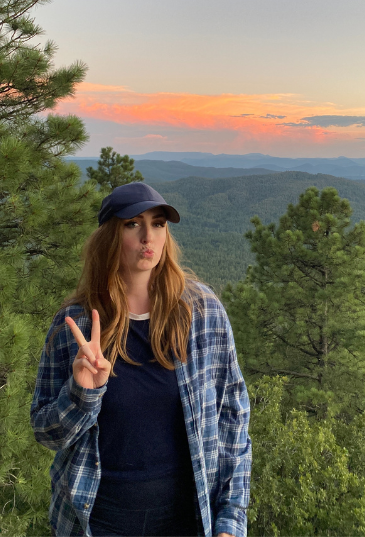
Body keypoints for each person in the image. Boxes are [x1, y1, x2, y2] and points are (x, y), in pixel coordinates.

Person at [31, 181, 251, 537]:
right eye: (133, 223)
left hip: (186, 520)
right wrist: (82, 394)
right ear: (109, 238)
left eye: (159, 223)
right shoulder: (76, 325)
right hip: (96, 521)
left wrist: (230, 519)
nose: (149, 236)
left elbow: (234, 418)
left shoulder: (202, 312)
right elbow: (46, 433)